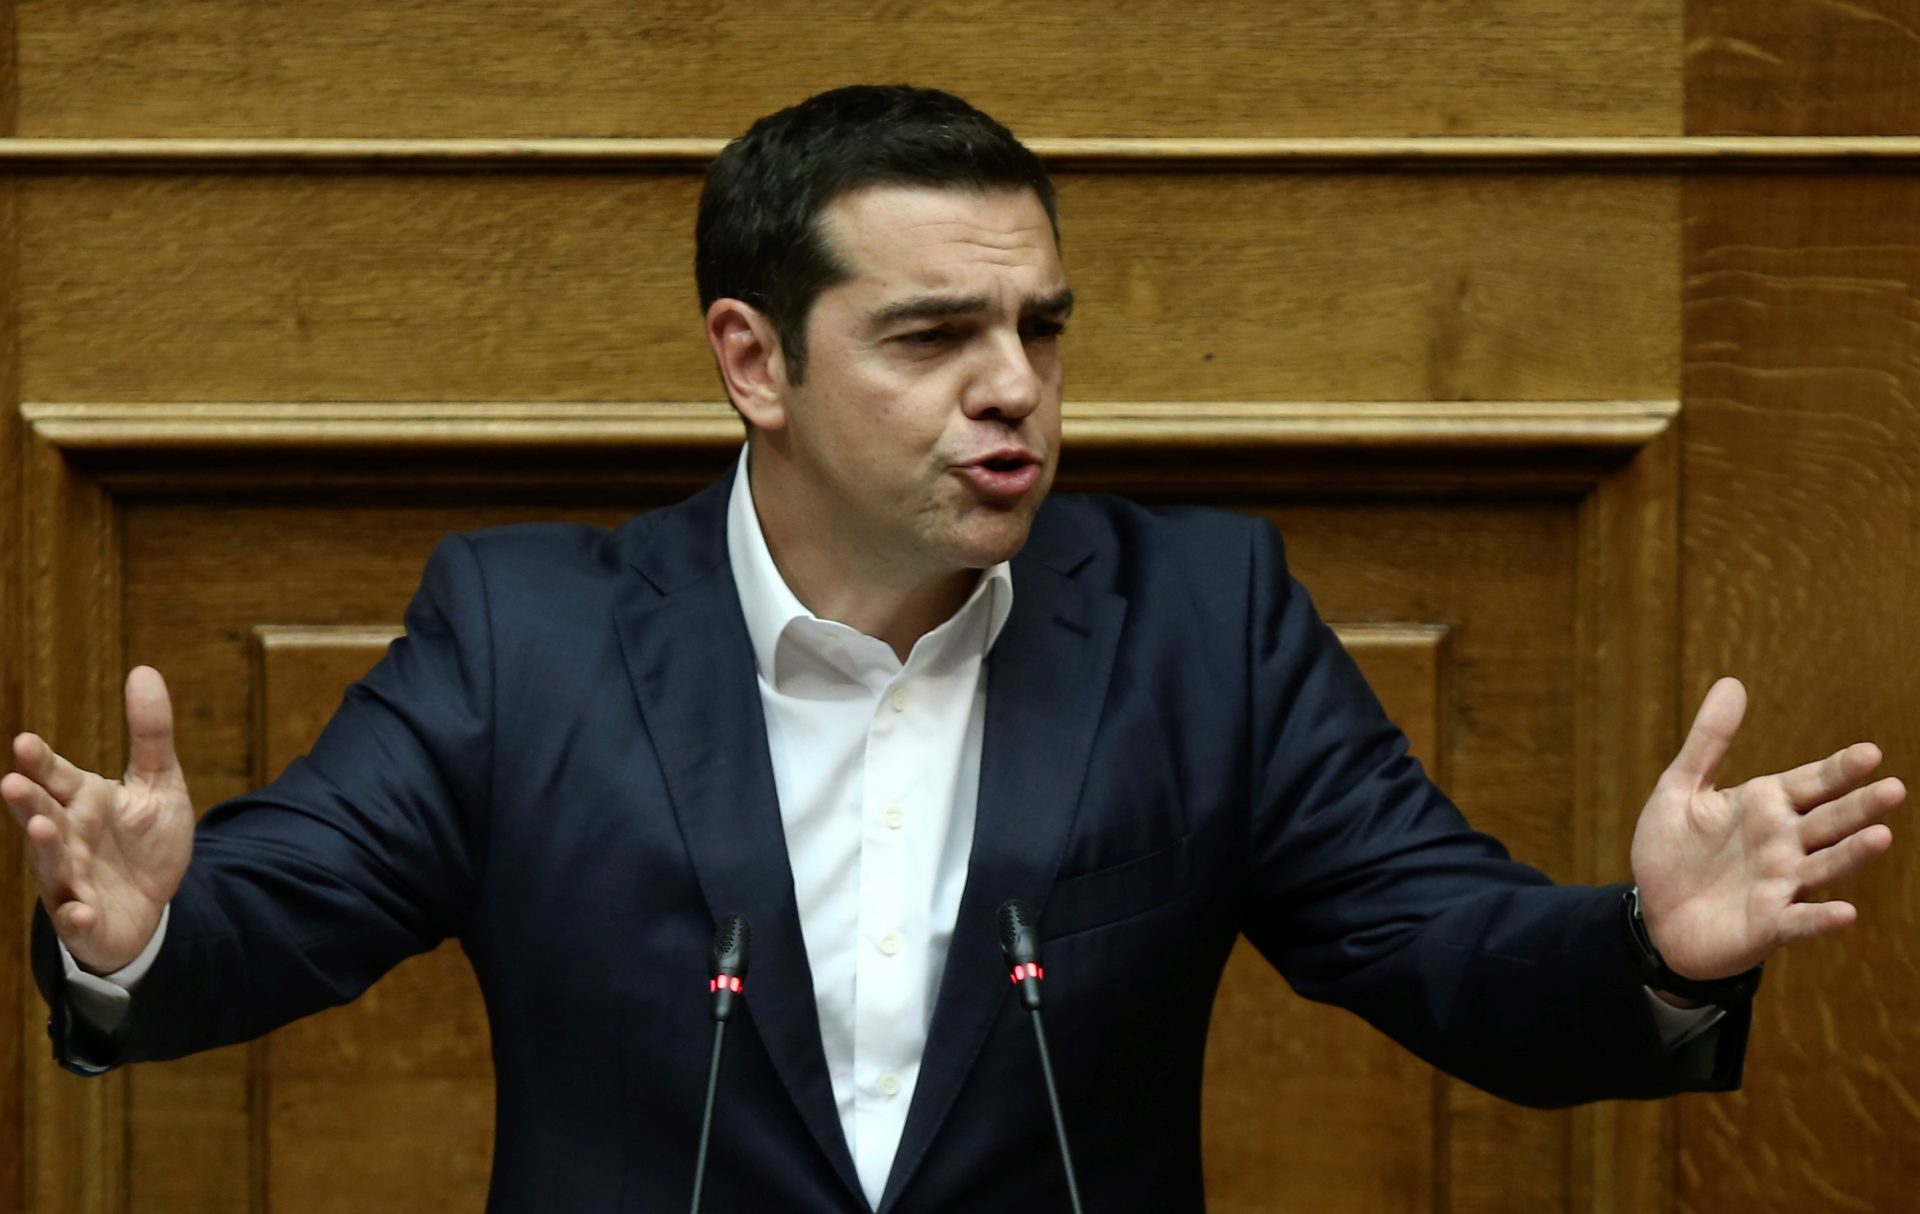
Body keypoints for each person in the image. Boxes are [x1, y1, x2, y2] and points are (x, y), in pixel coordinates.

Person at [5, 85, 1903, 1213]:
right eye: (932, 337)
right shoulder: (526, 633)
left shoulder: (1205, 620)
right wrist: (140, 927)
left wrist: (1647, 947)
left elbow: (1441, 947)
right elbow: (288, 910)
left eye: (1040, 330)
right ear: (754, 358)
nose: (1014, 390)